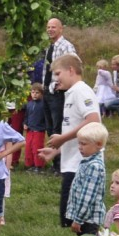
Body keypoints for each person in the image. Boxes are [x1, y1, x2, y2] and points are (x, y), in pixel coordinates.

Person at [39, 53, 101, 229]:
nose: (56, 79)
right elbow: (77, 128)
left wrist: (62, 139)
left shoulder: (81, 91)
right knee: (72, 221)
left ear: (71, 70)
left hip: (83, 165)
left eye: (58, 74)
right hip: (72, 162)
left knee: (83, 223)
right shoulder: (71, 92)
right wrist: (57, 151)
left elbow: (93, 120)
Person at [41, 18, 77, 173]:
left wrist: (59, 83)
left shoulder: (66, 46)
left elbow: (75, 63)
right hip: (47, 91)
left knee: (57, 127)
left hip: (58, 92)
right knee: (49, 127)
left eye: (53, 27)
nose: (50, 30)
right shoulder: (50, 46)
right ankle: (55, 161)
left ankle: (60, 165)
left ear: (61, 29)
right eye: (48, 27)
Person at [22, 82, 48, 171]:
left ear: (41, 93)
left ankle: (39, 166)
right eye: (33, 92)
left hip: (39, 130)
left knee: (37, 148)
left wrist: (45, 126)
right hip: (30, 130)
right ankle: (30, 164)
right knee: (28, 147)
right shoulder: (29, 104)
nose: (34, 95)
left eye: (37, 93)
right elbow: (26, 115)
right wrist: (25, 123)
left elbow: (46, 117)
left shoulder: (43, 104)